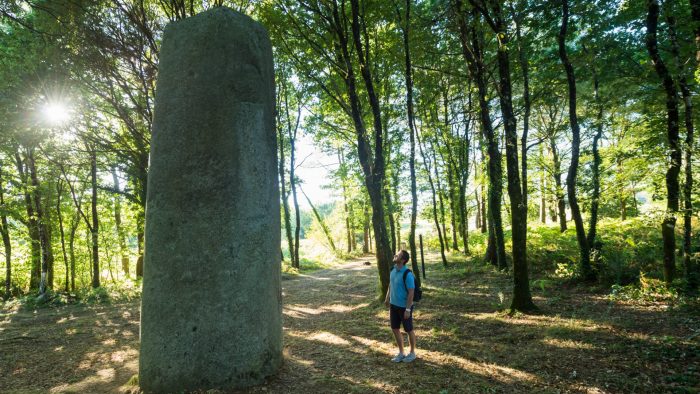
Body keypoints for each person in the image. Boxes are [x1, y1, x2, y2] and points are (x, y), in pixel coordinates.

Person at [384, 250, 417, 363]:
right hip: (394, 305)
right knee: (395, 328)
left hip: (404, 307)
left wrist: (408, 309)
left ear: (403, 260)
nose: (395, 255)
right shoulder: (393, 270)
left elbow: (411, 292)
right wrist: (387, 297)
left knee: (409, 329)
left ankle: (412, 353)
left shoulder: (407, 274)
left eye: (397, 255)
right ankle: (401, 353)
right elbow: (390, 284)